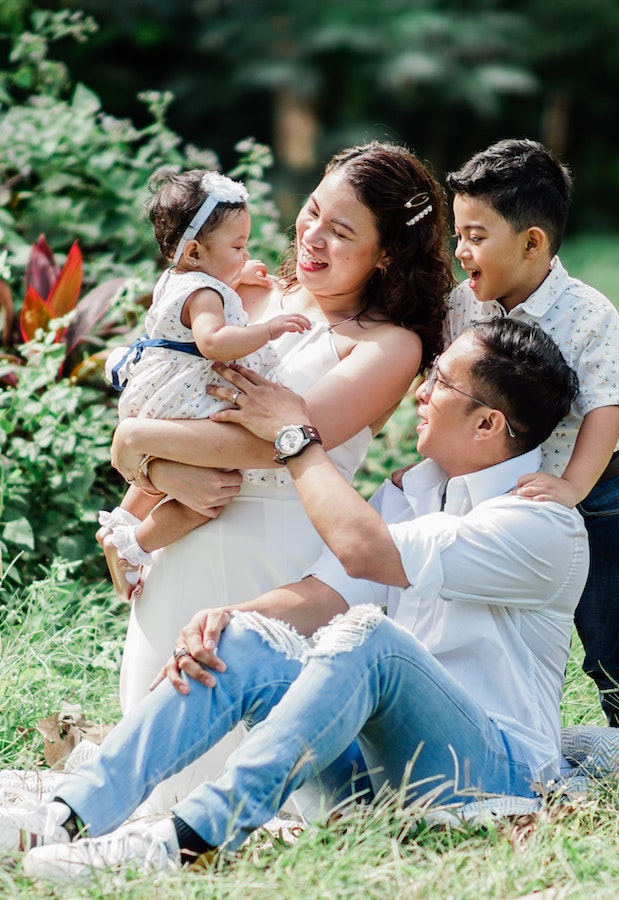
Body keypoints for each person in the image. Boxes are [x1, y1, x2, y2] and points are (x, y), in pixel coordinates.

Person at [2, 320, 598, 879]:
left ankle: (188, 839)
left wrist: (296, 437)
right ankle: (64, 816)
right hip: (379, 776)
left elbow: (364, 555)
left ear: (488, 424)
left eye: (440, 380)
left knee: (374, 640)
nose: (422, 389)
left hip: (494, 773)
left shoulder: (542, 526)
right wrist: (229, 623)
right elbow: (323, 594)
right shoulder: (413, 494)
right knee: (242, 636)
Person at [104, 141, 452, 808]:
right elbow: (182, 396)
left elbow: (270, 446)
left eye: (341, 231)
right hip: (178, 552)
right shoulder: (244, 296)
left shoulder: (387, 345)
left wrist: (135, 439)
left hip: (277, 564)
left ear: (386, 254)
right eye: (312, 212)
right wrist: (129, 513)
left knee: (264, 790)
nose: (312, 236)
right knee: (150, 777)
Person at [444, 138, 619, 730]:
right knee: (499, 631)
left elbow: (606, 409)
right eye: (458, 233)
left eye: (475, 236)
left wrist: (570, 487)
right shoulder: (464, 307)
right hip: (506, 501)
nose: (460, 250)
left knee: (610, 639)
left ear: (532, 241)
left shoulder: (588, 313)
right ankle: (509, 731)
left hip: (599, 497)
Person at [98, 168, 312, 602]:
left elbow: (200, 300)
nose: (245, 252)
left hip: (159, 392)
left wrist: (236, 273)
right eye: (237, 246)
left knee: (168, 466)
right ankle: (135, 547)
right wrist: (269, 328)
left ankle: (121, 522)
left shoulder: (180, 279)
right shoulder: (206, 294)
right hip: (187, 395)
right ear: (195, 251)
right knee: (210, 494)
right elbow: (213, 341)